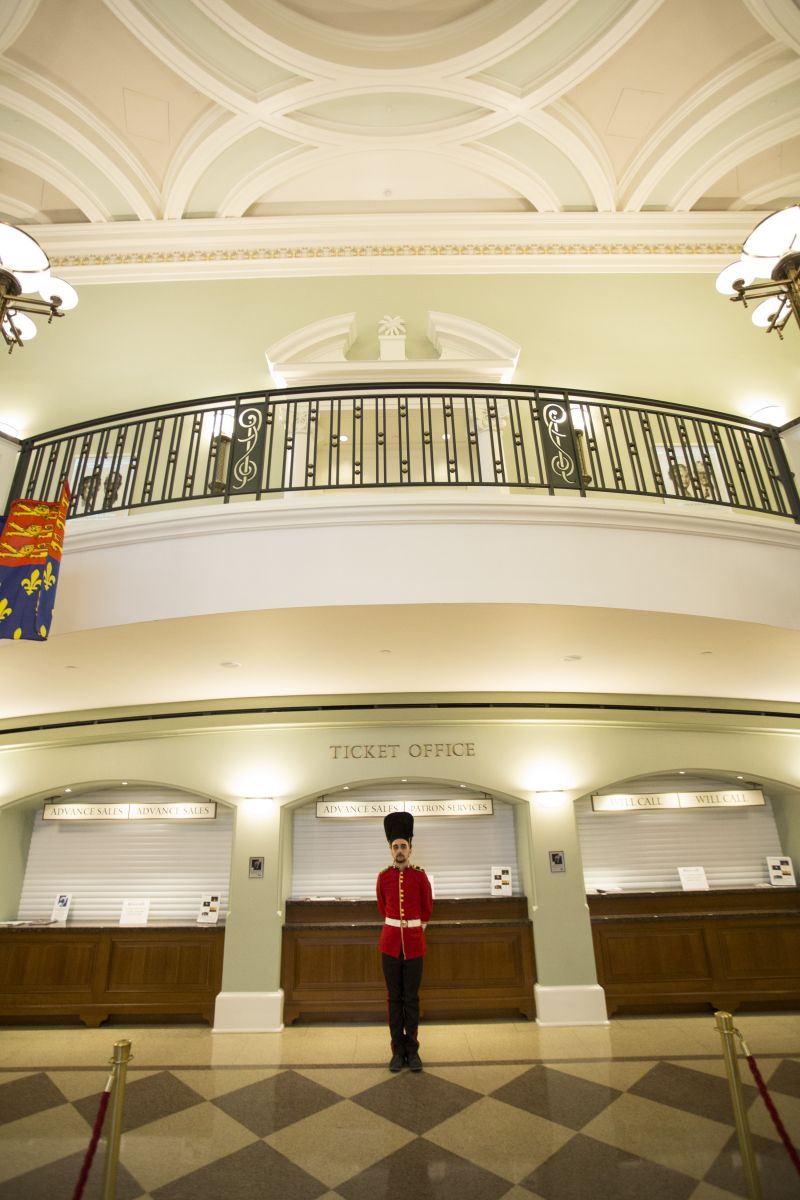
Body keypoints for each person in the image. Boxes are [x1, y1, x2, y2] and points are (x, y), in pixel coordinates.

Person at [376, 811, 433, 1072]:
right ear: (390, 850)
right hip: (389, 946)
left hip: (414, 946)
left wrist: (413, 928)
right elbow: (382, 907)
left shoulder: (420, 876)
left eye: (403, 846)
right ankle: (397, 1051)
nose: (399, 850)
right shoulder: (383, 877)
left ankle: (413, 1050)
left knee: (411, 998)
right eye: (395, 846)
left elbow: (427, 908)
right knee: (393, 999)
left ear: (411, 849)